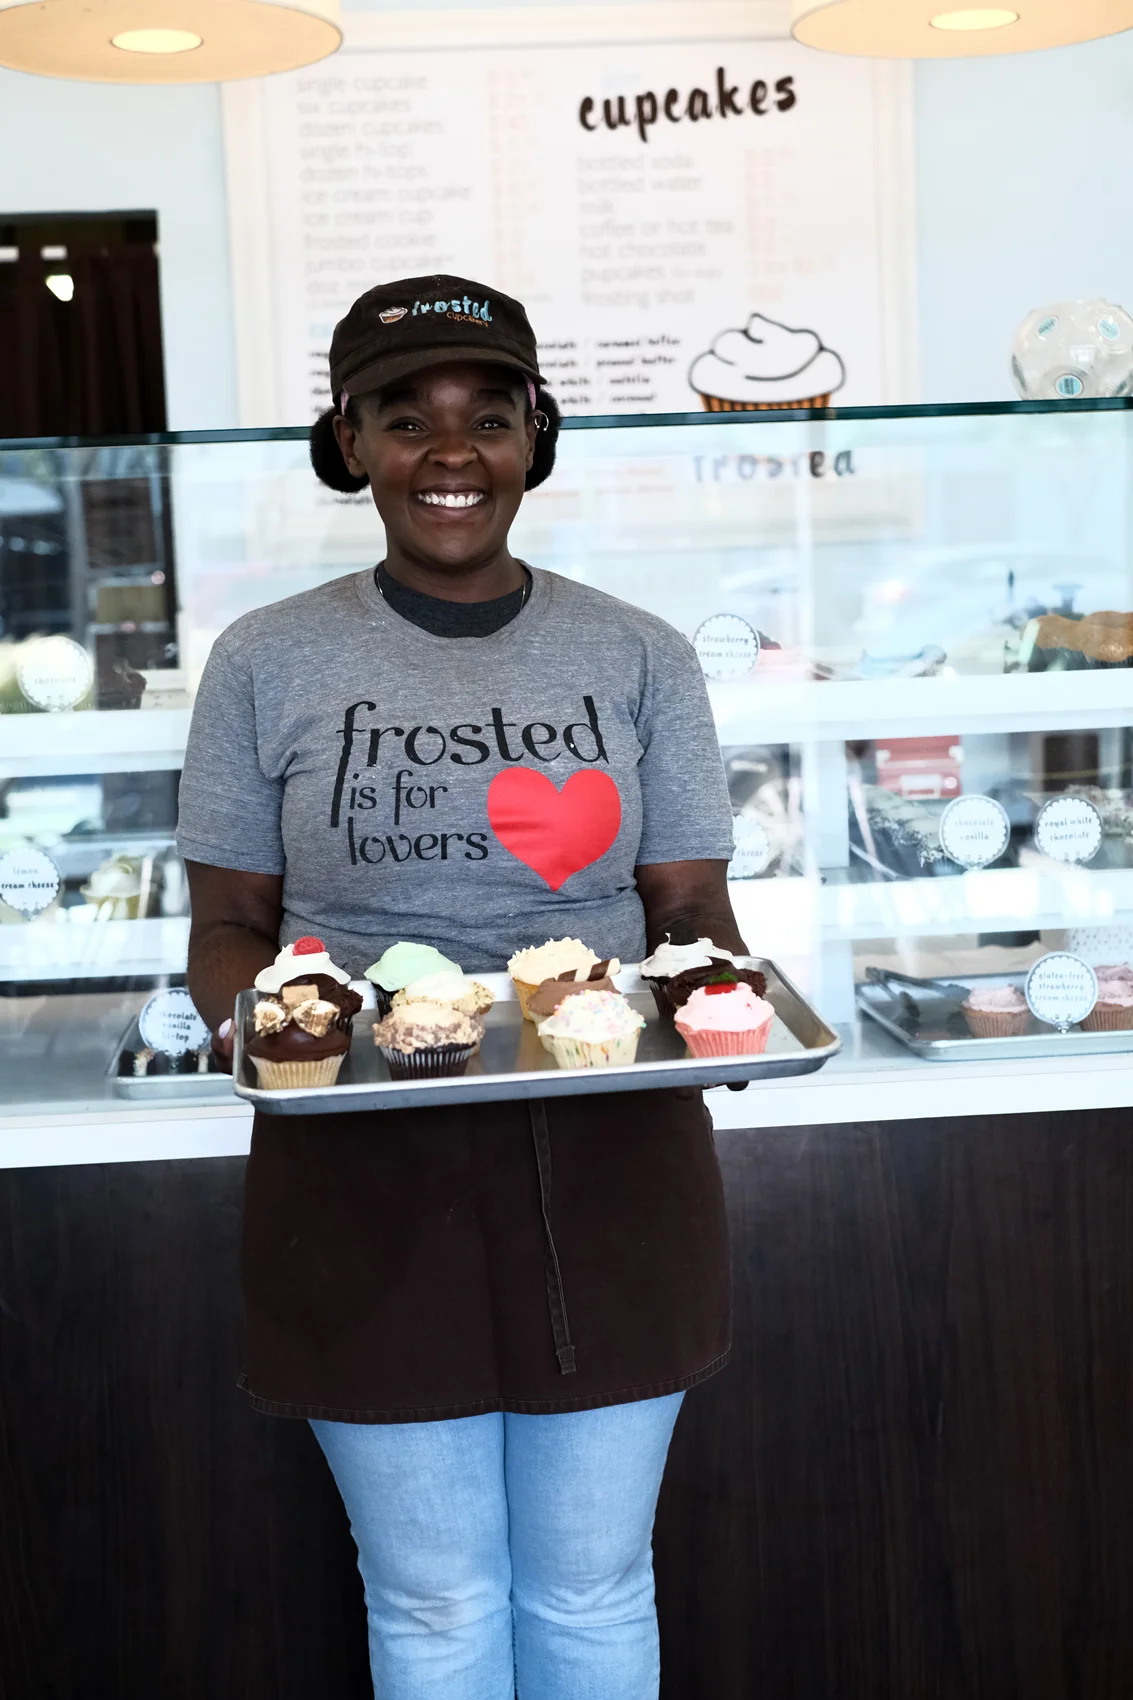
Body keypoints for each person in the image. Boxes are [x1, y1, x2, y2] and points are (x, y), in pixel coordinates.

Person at [178, 273, 746, 1700]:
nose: (450, 453)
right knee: (432, 1600)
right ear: (349, 441)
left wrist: (723, 1005)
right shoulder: (266, 659)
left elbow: (687, 909)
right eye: (405, 417)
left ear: (532, 439)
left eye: (487, 418)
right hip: (360, 1171)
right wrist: (279, 1029)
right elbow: (230, 927)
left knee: (596, 1582)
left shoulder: (639, 653)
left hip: (613, 1155)